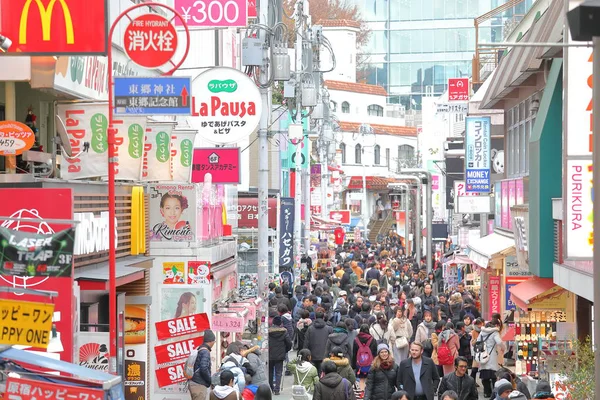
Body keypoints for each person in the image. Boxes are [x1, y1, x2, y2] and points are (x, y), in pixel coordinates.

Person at [478, 320, 505, 398]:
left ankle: (486, 392)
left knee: (484, 375)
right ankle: (494, 393)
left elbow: (478, 342)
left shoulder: (482, 332)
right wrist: (503, 348)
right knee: (494, 376)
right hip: (491, 355)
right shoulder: (495, 333)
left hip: (483, 355)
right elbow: (499, 342)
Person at [189, 329, 216, 400]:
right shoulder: (205, 352)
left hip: (194, 382)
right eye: (214, 341)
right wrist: (209, 380)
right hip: (199, 384)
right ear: (211, 341)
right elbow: (203, 368)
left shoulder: (200, 349)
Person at [269, 316, 292, 394]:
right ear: (280, 323)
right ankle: (277, 389)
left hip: (270, 354)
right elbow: (289, 343)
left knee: (270, 371)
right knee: (279, 372)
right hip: (280, 354)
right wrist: (286, 350)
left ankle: (271, 387)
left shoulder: (268, 332)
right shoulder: (284, 332)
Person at [352, 324, 378, 390]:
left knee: (361, 379)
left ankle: (362, 393)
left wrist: (354, 365)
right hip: (370, 363)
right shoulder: (373, 340)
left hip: (360, 364)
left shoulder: (356, 340)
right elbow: (375, 353)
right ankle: (368, 394)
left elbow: (354, 353)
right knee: (369, 379)